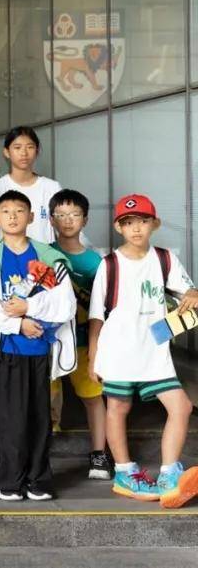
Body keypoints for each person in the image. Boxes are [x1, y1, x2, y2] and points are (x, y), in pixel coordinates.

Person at [89, 195, 198, 508]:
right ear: (118, 227)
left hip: (154, 351)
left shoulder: (165, 259)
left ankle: (168, 475)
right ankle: (125, 473)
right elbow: (97, 316)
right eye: (128, 222)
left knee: (181, 406)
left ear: (155, 224)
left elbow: (189, 292)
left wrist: (193, 292)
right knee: (118, 407)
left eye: (143, 221)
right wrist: (93, 357)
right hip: (118, 350)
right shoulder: (109, 264)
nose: (136, 228)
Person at [0, 190, 77, 501]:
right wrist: (19, 325)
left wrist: (29, 310)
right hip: (6, 348)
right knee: (9, 418)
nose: (13, 216)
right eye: (6, 211)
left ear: (31, 217)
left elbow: (65, 304)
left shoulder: (48, 255)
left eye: (20, 210)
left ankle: (38, 479)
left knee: (39, 418)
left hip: (40, 347)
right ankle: (10, 479)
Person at [49, 189, 111, 480]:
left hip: (85, 341)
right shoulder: (42, 254)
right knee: (42, 396)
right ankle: (37, 451)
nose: (67, 220)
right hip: (50, 341)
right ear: (51, 219)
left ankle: (99, 453)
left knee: (93, 397)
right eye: (60, 214)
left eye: (74, 214)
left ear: (85, 220)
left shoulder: (96, 263)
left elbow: (102, 309)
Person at [0, 126, 61, 245]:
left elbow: (65, 228)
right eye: (17, 147)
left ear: (37, 151)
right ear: (6, 152)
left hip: (44, 255)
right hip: (5, 256)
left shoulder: (52, 188)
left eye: (30, 147)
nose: (24, 153)